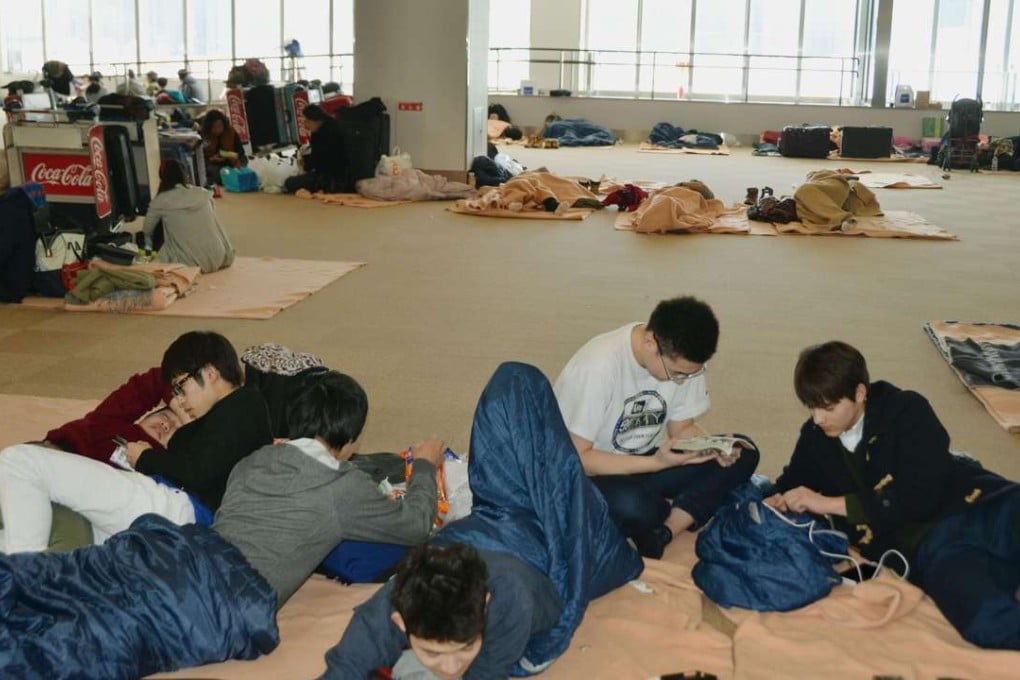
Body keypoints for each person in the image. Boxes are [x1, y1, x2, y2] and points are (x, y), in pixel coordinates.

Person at [0, 369, 444, 678]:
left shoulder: (257, 459)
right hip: (216, 596)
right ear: (348, 443)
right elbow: (416, 524)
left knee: (71, 579)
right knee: (85, 643)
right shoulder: (342, 486)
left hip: (176, 549)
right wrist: (423, 466)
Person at [321, 362, 644, 679]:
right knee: (522, 479)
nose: (450, 668)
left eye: (465, 647)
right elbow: (342, 668)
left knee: (573, 508)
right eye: (433, 652)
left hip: (530, 553)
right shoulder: (395, 601)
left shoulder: (511, 601)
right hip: (493, 523)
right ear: (400, 621)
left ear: (486, 604)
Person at [765, 341, 1020, 650]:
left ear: (859, 394)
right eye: (811, 407)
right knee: (988, 623)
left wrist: (828, 503)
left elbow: (918, 496)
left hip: (981, 503)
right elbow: (792, 481)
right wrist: (773, 498)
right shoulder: (815, 438)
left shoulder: (907, 410)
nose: (818, 418)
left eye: (828, 408)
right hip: (936, 548)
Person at [0, 330, 271, 553]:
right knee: (52, 542)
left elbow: (197, 471)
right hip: (166, 516)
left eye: (181, 387)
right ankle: (26, 574)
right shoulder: (228, 416)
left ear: (211, 373)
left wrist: (145, 458)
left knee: (18, 459)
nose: (181, 400)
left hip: (175, 506)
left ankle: (25, 575)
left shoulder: (244, 403)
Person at [553, 295, 760, 559]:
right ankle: (656, 514)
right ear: (651, 343)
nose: (683, 381)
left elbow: (682, 428)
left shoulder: (685, 363)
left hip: (645, 459)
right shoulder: (596, 367)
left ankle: (663, 532)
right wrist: (658, 464)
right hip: (587, 473)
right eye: (677, 374)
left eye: (691, 374)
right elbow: (578, 459)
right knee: (642, 507)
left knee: (744, 451)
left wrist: (712, 447)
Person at [142, 159, 235, 273]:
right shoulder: (202, 193)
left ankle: (150, 256)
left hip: (189, 263)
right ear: (184, 175)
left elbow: (147, 230)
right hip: (218, 256)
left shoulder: (160, 201)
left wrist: (148, 249)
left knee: (154, 263)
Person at [284, 104, 346, 194]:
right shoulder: (334, 125)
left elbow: (319, 161)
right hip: (341, 175)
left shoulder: (322, 135)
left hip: (331, 178)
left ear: (317, 120)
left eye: (308, 121)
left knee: (289, 182)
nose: (306, 125)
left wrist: (306, 164)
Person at [200, 109, 246, 183]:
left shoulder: (230, 132)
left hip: (231, 161)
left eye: (219, 126)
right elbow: (201, 155)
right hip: (213, 164)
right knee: (216, 172)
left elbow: (240, 151)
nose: (217, 130)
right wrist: (211, 159)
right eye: (214, 127)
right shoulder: (204, 135)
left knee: (244, 164)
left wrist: (231, 157)